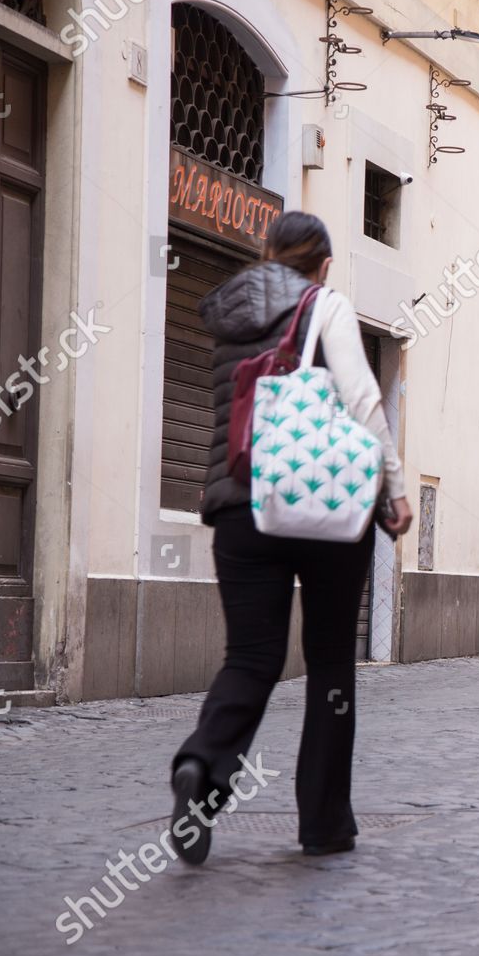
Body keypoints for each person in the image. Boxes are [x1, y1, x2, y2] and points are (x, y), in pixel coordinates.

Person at [169, 212, 412, 863]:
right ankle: (324, 824)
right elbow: (363, 401)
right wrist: (393, 487)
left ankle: (202, 764)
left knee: (251, 657)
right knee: (331, 660)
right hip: (322, 504)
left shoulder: (229, 312)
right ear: (323, 265)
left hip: (240, 508)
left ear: (267, 255)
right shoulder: (324, 304)